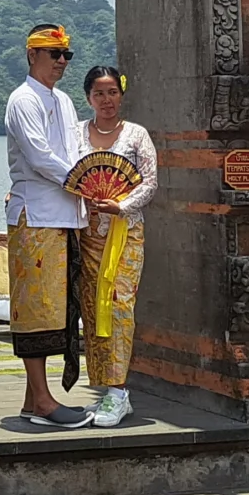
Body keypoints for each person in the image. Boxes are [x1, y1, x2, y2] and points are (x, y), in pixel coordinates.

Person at [4, 21, 90, 428]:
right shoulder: (23, 100)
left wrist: (89, 178)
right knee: (36, 308)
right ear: (32, 54)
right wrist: (84, 180)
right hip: (36, 214)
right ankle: (42, 400)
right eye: (53, 54)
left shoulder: (66, 102)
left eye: (66, 55)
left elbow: (75, 149)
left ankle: (32, 398)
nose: (61, 62)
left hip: (66, 214)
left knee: (59, 308)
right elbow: (40, 157)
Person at [75, 64, 157, 429]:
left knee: (120, 305)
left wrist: (120, 205)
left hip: (125, 232)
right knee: (93, 307)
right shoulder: (77, 133)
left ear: (121, 94)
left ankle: (120, 391)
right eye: (99, 93)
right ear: (89, 97)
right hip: (88, 234)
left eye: (112, 92)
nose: (106, 100)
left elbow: (149, 183)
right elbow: (66, 177)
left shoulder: (136, 135)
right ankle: (104, 388)